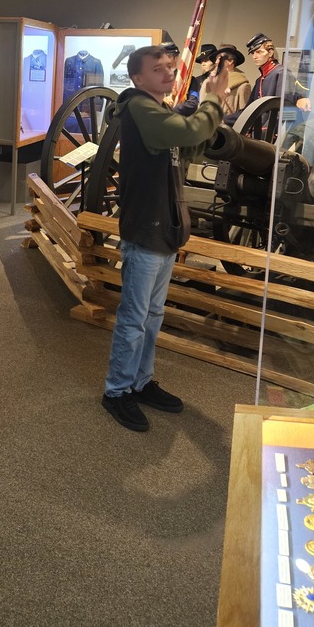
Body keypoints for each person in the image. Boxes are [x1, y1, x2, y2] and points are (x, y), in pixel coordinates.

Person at [102, 45, 223, 432]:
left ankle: (140, 382)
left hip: (163, 227)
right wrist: (212, 100)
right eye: (158, 69)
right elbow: (187, 131)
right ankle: (116, 391)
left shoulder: (160, 109)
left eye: (170, 67)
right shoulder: (139, 106)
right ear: (138, 78)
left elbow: (186, 146)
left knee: (152, 316)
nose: (169, 73)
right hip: (146, 228)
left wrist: (204, 124)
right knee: (135, 318)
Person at [199, 44, 251, 123]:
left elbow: (244, 114)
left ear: (230, 61)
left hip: (228, 128)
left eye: (220, 58)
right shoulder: (208, 82)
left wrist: (224, 120)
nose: (216, 62)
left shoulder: (243, 85)